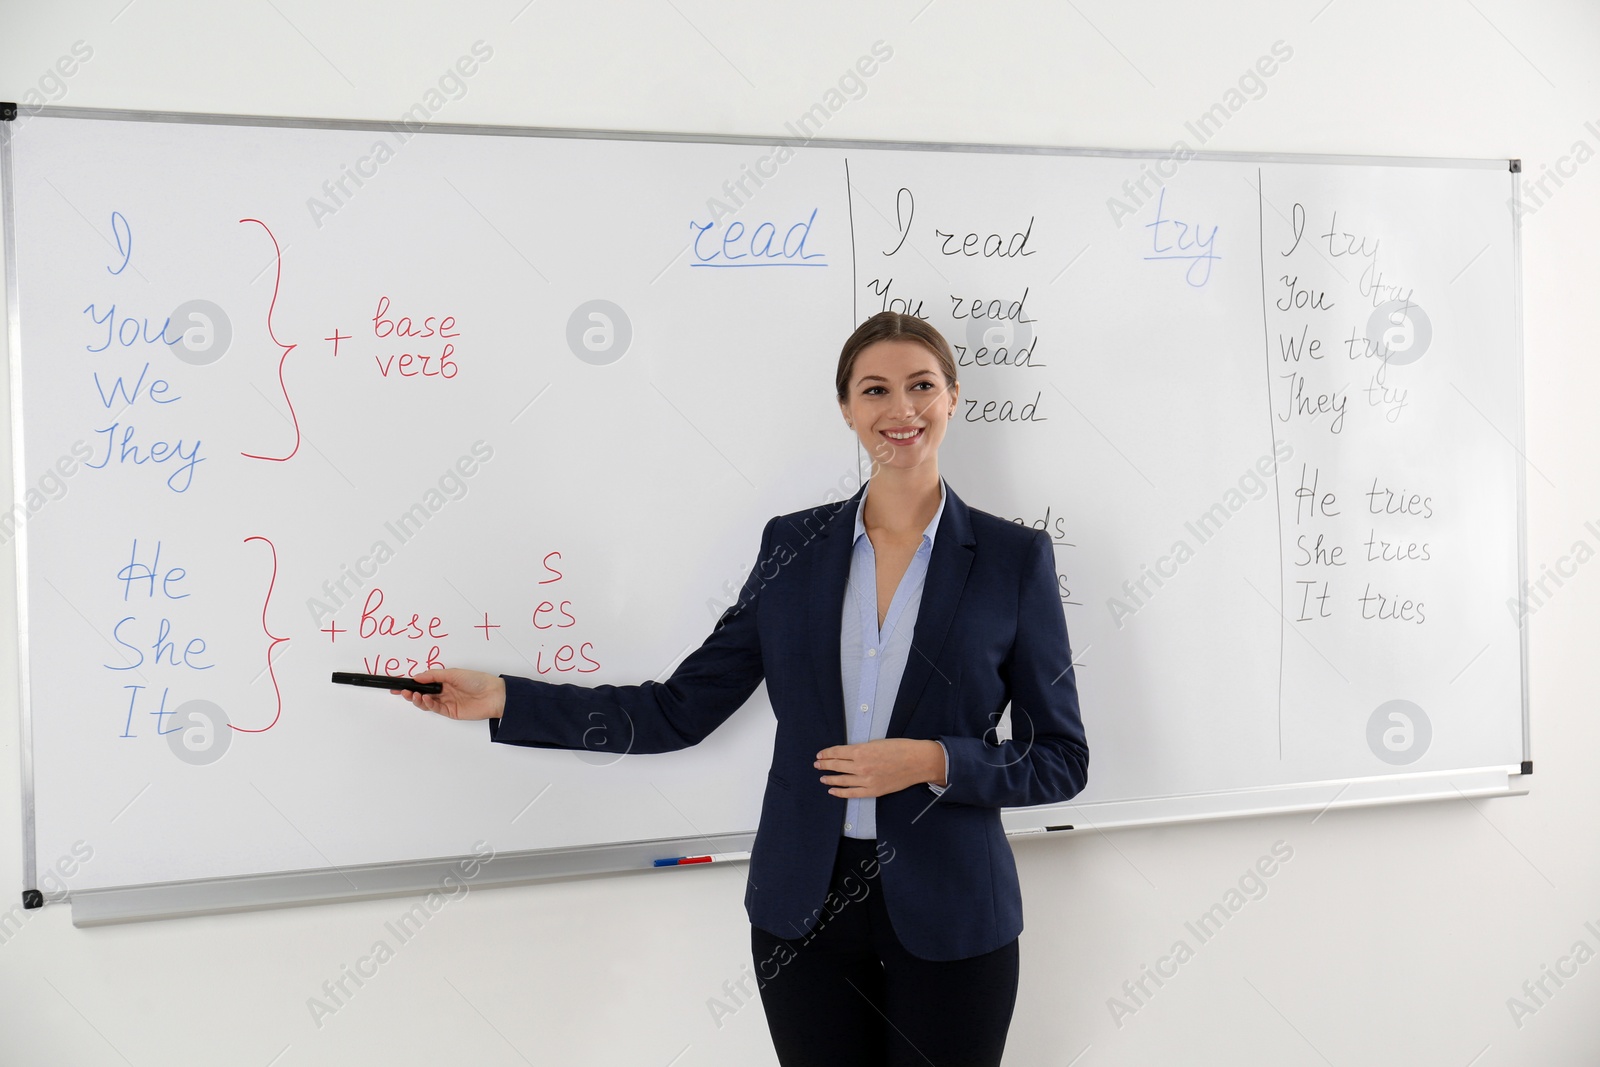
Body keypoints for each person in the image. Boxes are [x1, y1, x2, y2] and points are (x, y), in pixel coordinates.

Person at [393, 311, 1089, 1067]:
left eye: (922, 385)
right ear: (847, 408)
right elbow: (677, 709)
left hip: (955, 912)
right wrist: (504, 697)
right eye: (875, 389)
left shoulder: (1012, 559)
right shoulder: (793, 547)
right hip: (802, 912)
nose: (902, 409)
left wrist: (933, 760)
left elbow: (1061, 757)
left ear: (953, 396)